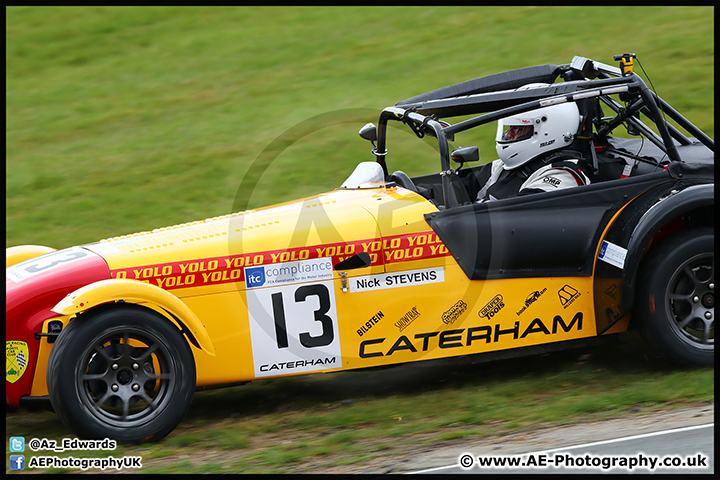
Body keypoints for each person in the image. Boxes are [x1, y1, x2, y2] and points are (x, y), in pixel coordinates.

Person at [469, 99, 592, 203]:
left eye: (519, 129)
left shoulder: (563, 176)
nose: (508, 135)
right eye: (510, 128)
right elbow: (459, 189)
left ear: (548, 132)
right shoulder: (503, 166)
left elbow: (513, 214)